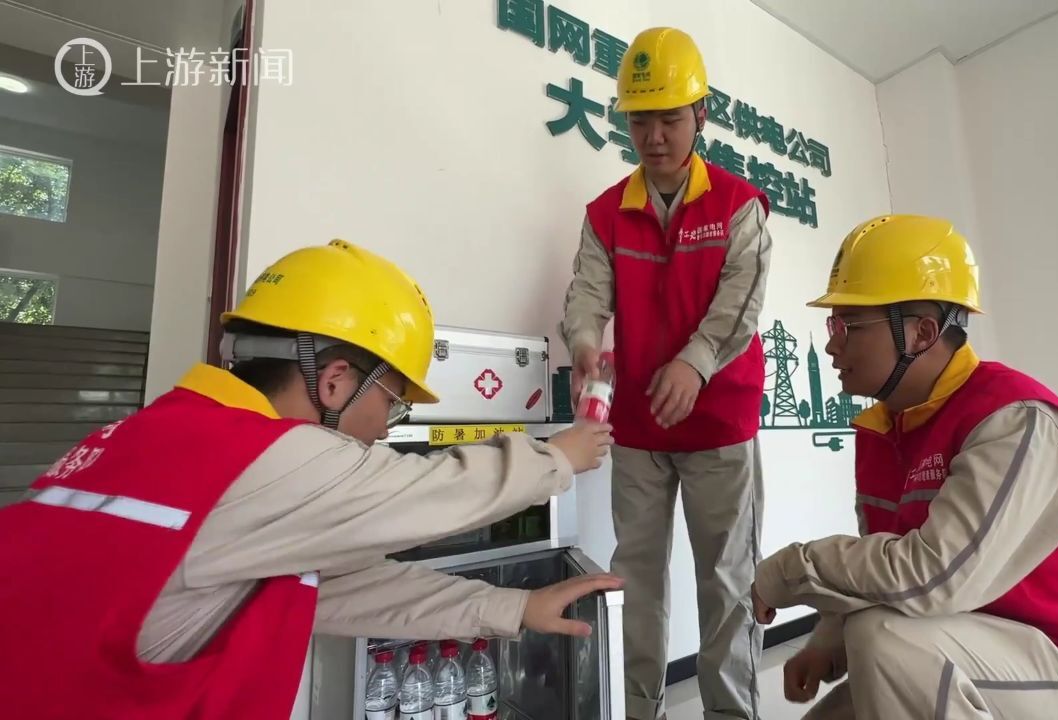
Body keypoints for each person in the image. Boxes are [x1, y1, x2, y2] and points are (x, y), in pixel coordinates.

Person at [0, 239, 620, 718]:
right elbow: (424, 493)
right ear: (335, 381)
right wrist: (557, 456)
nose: (384, 429)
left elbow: (334, 590)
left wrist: (511, 606)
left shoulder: (151, 438)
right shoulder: (255, 461)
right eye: (394, 402)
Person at [748, 215, 1058, 719]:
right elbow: (882, 571)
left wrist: (787, 570)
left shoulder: (1016, 422)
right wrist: (828, 639)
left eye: (847, 327)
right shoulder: (885, 430)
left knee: (885, 638)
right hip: (985, 659)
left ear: (920, 332)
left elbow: (931, 579)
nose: (831, 345)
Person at [560, 26, 773, 720]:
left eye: (670, 118)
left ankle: (731, 714)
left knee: (727, 584)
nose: (654, 136)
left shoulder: (739, 206)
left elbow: (740, 302)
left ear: (700, 116)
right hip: (641, 432)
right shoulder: (606, 213)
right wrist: (584, 344)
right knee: (638, 579)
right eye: (640, 120)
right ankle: (639, 707)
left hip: (719, 426)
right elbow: (588, 293)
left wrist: (696, 362)